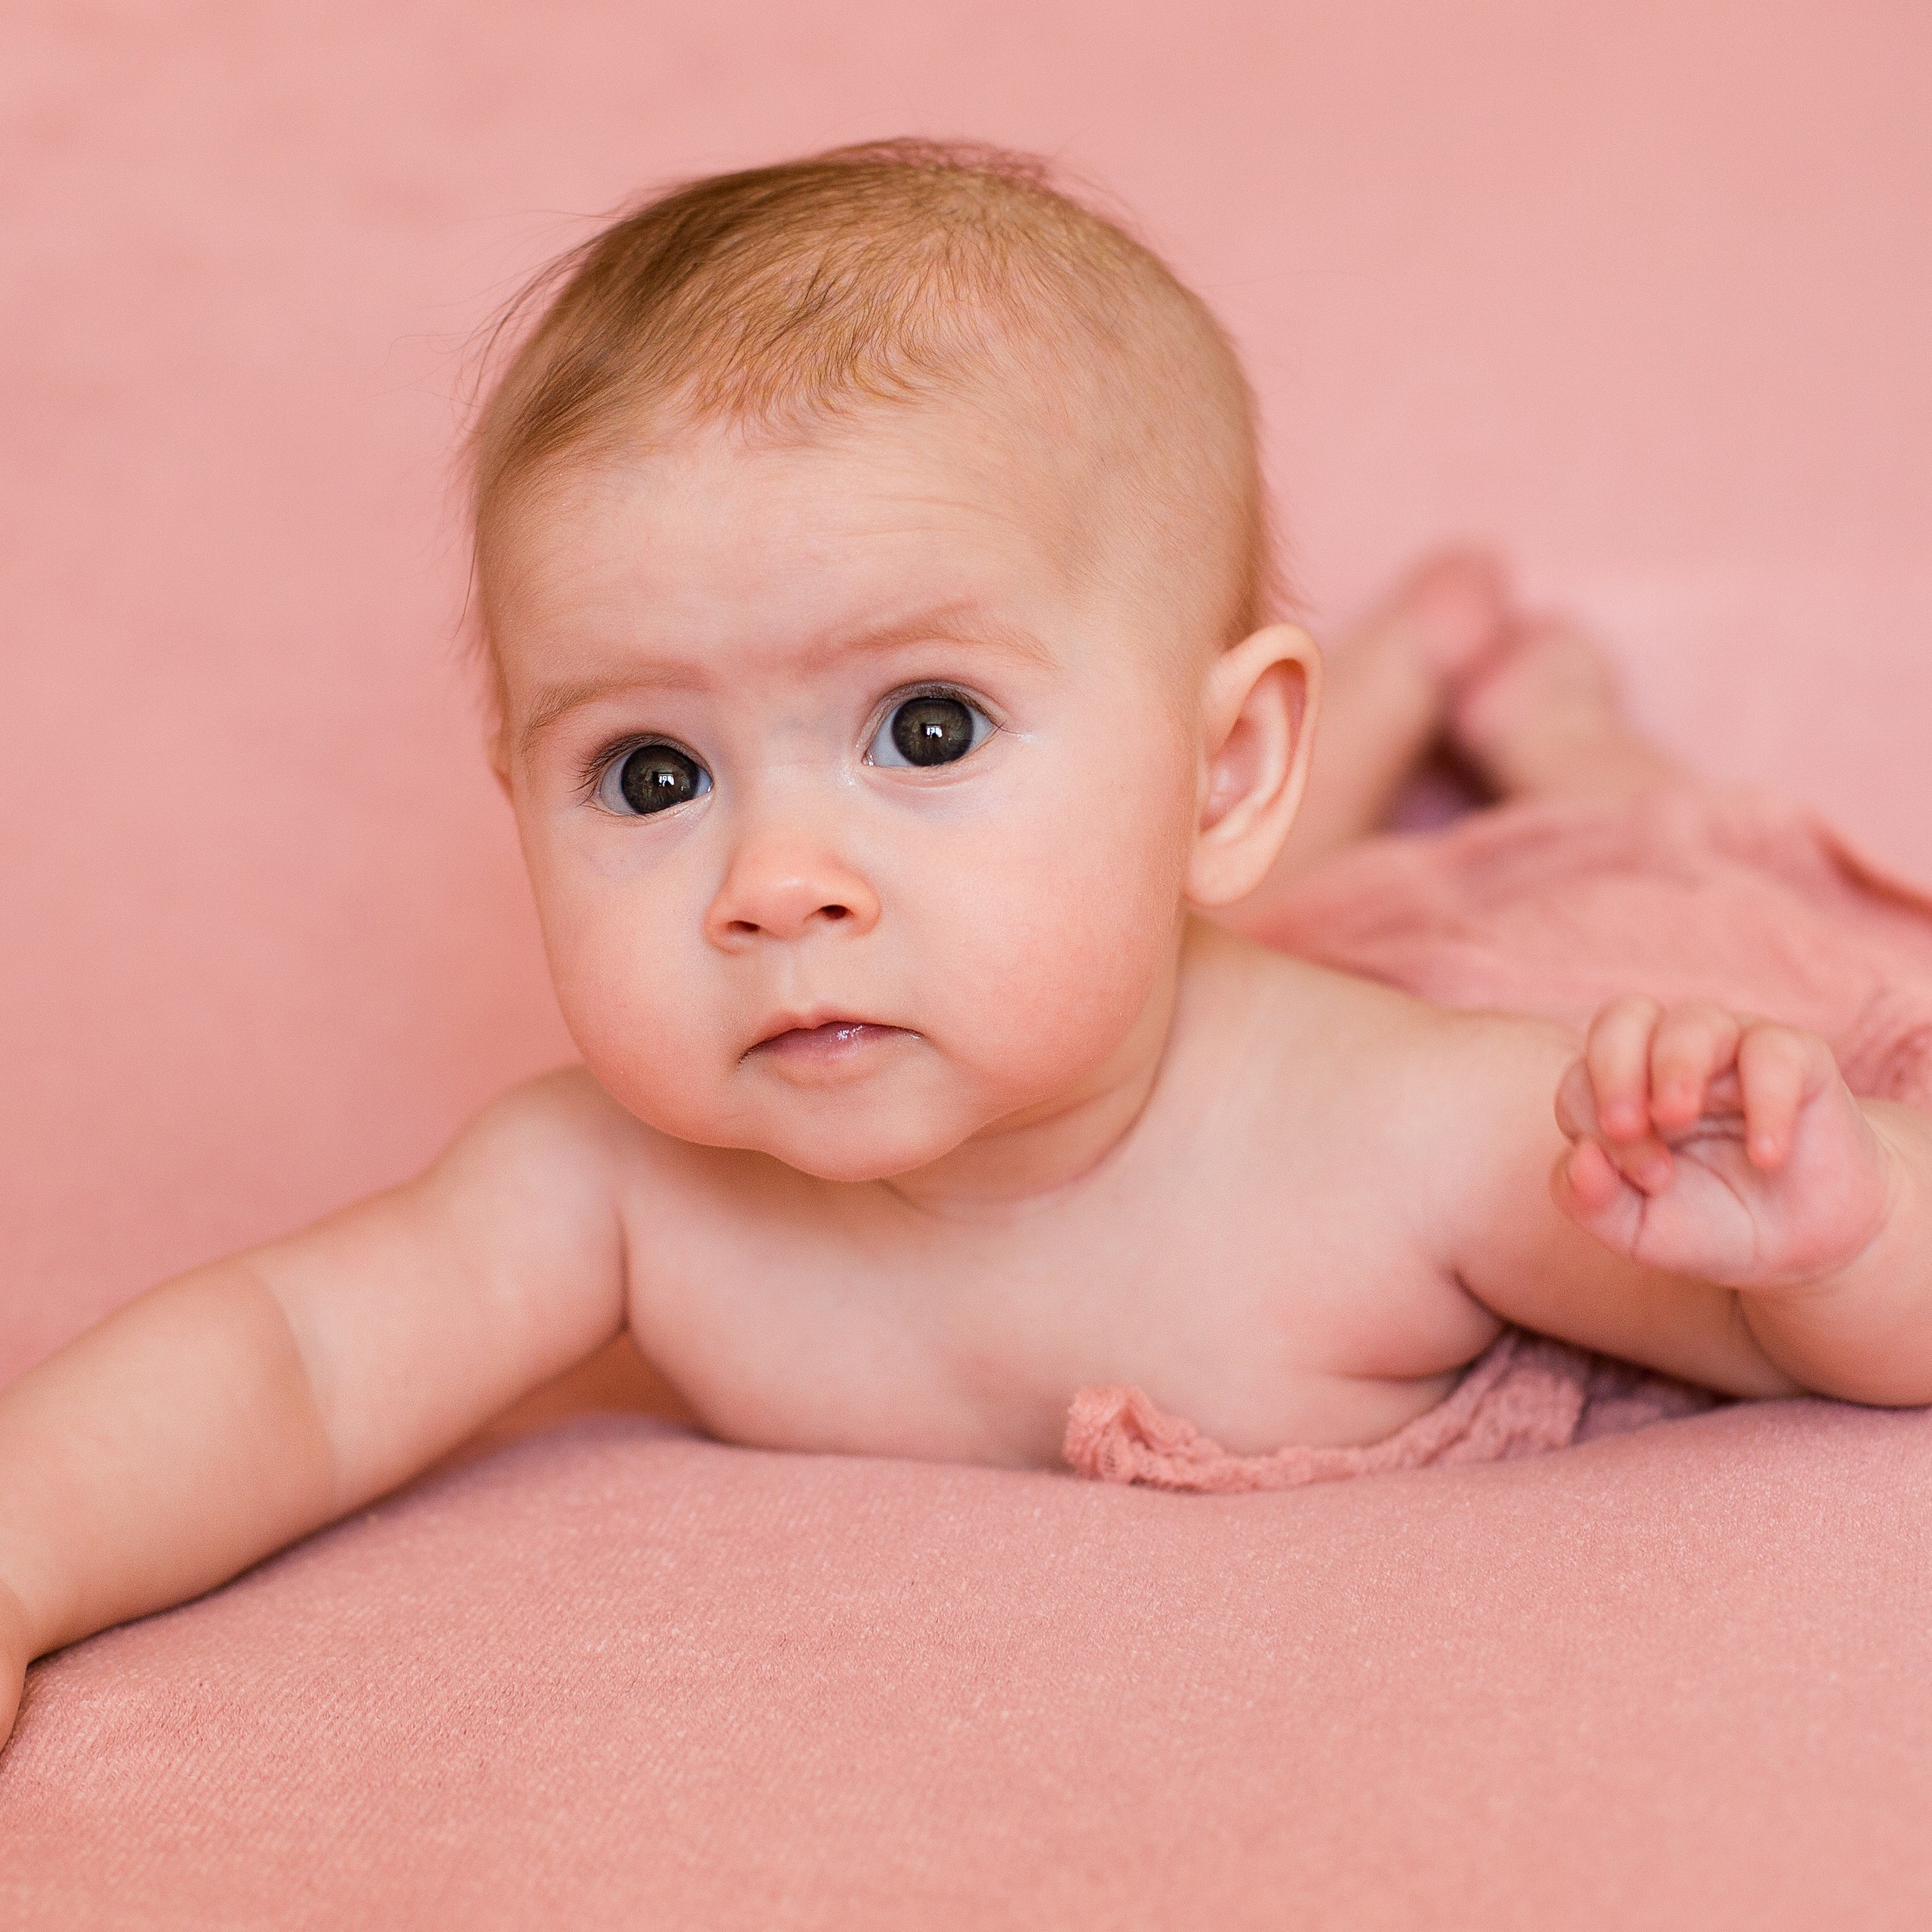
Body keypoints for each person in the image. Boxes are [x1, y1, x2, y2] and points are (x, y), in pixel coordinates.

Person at [5, 141, 1927, 1752]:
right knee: (1184, 903)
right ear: (512, 789)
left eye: (924, 728)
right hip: (1195, 901)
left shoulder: (1418, 1137)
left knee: (1575, 842)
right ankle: (1391, 676)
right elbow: (295, 1356)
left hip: (1564, 940)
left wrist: (1828, 1236)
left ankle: (1530, 713)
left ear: (1218, 755)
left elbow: (1799, 1313)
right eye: (650, 767)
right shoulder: (611, 1185)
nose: (773, 879)